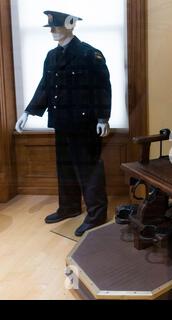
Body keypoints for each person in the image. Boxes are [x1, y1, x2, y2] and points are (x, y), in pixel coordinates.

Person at [15, 11, 111, 237]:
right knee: (65, 167)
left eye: (56, 26)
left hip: (84, 123)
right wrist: (28, 111)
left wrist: (102, 118)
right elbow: (45, 87)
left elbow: (103, 88)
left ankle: (97, 214)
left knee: (88, 168)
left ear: (71, 27)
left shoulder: (90, 54)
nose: (52, 30)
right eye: (51, 27)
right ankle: (69, 207)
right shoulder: (51, 56)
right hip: (62, 121)